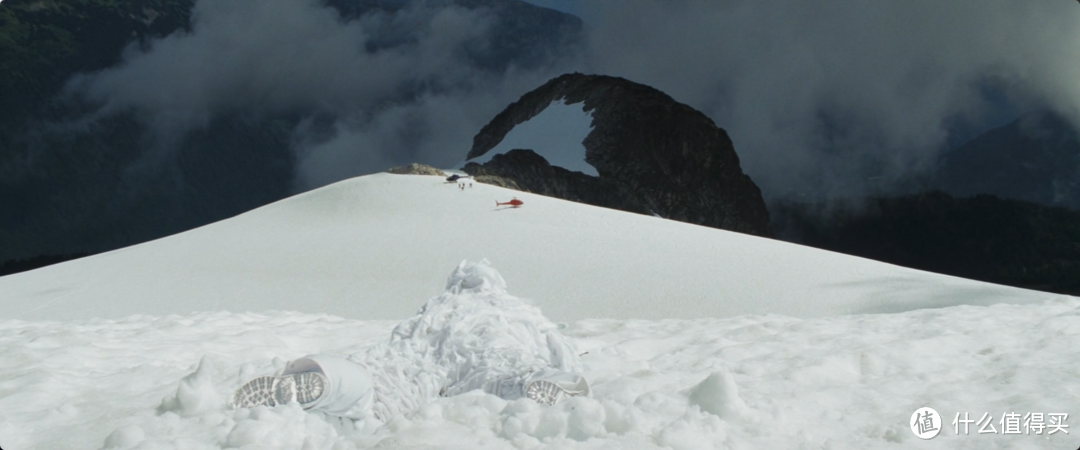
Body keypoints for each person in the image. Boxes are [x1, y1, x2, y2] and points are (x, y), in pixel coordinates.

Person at [233, 259, 590, 423]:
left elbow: (410, 338)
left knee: (388, 378)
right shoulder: (511, 310)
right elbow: (552, 343)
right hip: (487, 353)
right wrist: (560, 367)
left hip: (429, 354)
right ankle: (547, 384)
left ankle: (334, 383)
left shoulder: (443, 305)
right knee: (510, 374)